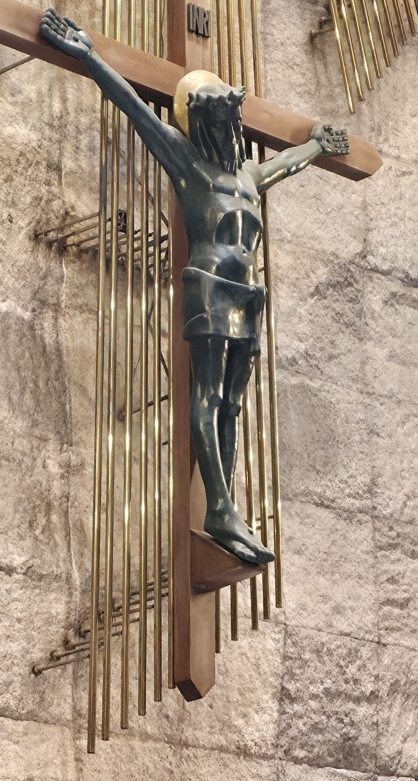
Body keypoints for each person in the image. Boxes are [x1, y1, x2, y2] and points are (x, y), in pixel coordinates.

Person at [39, 7, 349, 565]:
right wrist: (88, 55)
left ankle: (225, 509)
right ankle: (220, 508)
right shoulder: (188, 163)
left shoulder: (247, 176)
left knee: (232, 401)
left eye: (234, 121)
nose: (232, 131)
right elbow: (136, 109)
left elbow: (287, 162)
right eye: (223, 122)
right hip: (207, 286)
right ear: (202, 123)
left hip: (247, 297)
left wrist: (317, 146)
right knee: (207, 395)